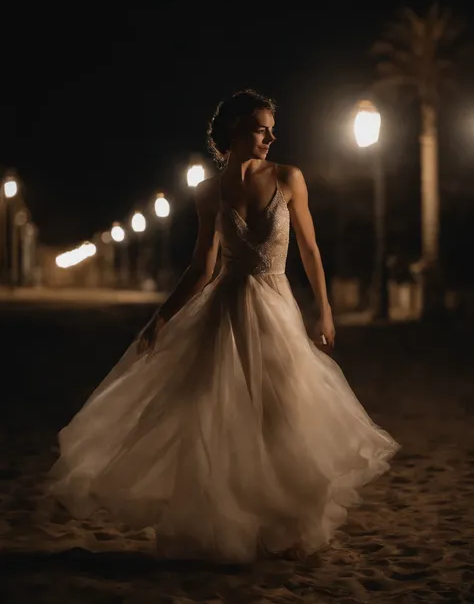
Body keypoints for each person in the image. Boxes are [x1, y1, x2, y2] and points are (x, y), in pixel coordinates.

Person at [48, 90, 399, 562]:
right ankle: (230, 526)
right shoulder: (208, 193)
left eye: (272, 128)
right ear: (235, 130)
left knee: (283, 414)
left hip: (277, 308)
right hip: (226, 310)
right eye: (260, 127)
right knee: (221, 416)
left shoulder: (289, 177)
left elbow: (311, 251)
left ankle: (284, 525)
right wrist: (162, 317)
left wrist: (326, 309)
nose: (271, 136)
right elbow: (201, 267)